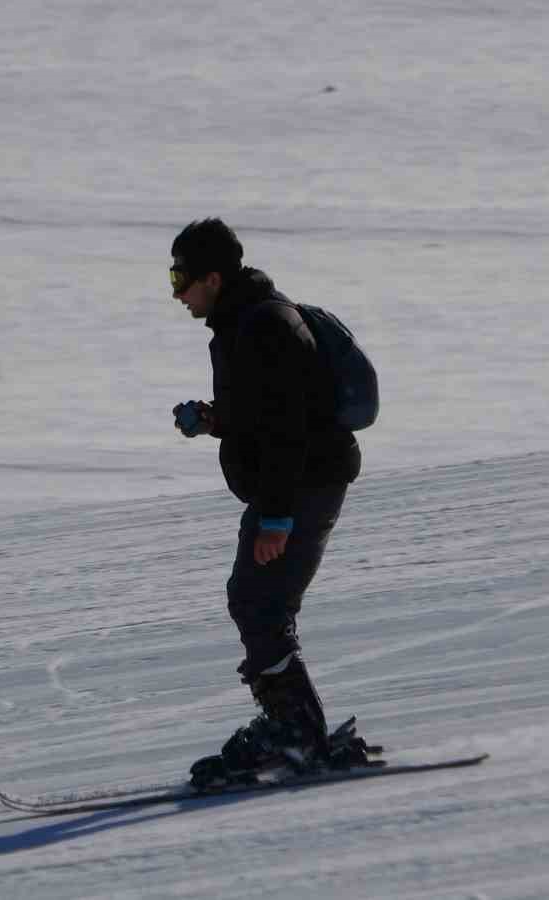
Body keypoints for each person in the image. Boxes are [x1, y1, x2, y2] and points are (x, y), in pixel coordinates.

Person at [167, 218, 365, 787]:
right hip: (297, 481)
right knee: (257, 602)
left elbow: (287, 430)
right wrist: (213, 420)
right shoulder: (244, 322)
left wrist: (277, 515)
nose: (176, 293)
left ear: (212, 277)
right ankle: (293, 726)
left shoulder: (263, 326)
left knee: (259, 603)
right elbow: (263, 411)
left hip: (303, 483)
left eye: (181, 277)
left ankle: (296, 733)